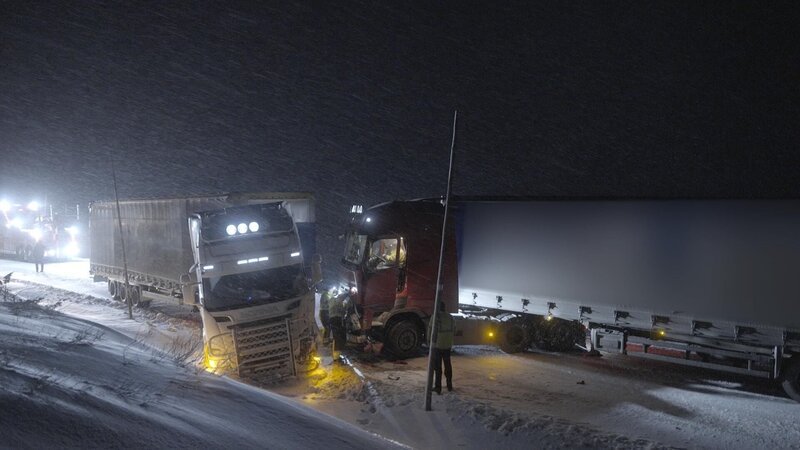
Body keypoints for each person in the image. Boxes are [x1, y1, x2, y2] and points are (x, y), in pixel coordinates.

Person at [429, 301, 455, 394]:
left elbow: (430, 330)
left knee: (438, 367)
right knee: (448, 365)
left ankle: (438, 387)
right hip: (447, 345)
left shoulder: (435, 317)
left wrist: (429, 342)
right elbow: (454, 329)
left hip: (438, 346)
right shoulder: (450, 317)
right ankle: (449, 385)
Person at [328, 292, 347, 360]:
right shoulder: (339, 301)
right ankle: (336, 354)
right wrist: (344, 310)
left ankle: (335, 352)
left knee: (335, 335)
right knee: (337, 335)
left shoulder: (331, 299)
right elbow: (342, 311)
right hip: (337, 318)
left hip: (332, 318)